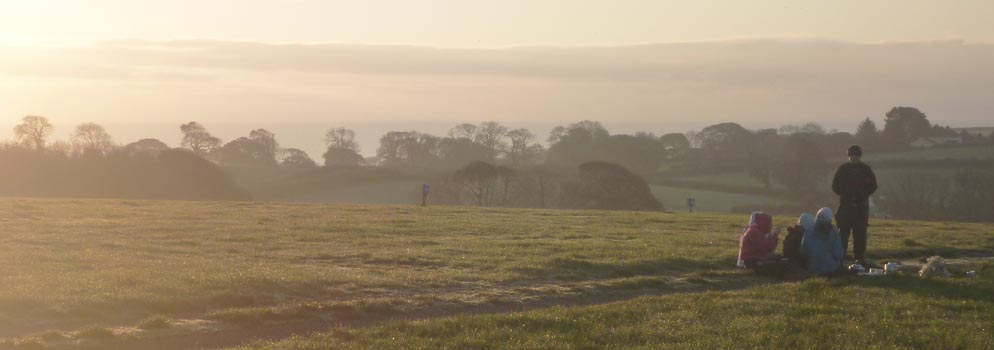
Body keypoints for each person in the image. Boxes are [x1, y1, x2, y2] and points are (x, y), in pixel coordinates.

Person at [832, 144, 877, 265]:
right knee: (843, 232)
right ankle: (841, 255)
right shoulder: (844, 169)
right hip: (846, 206)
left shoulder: (865, 169)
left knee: (860, 233)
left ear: (859, 156)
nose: (853, 157)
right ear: (849, 156)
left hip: (860, 207)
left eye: (855, 155)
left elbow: (873, 186)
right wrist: (845, 194)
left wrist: (863, 195)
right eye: (852, 155)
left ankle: (859, 256)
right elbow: (835, 186)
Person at [801, 207, 844, 275]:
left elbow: (803, 253)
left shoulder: (808, 231)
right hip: (831, 269)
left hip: (812, 269)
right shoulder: (834, 233)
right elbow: (839, 255)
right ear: (829, 219)